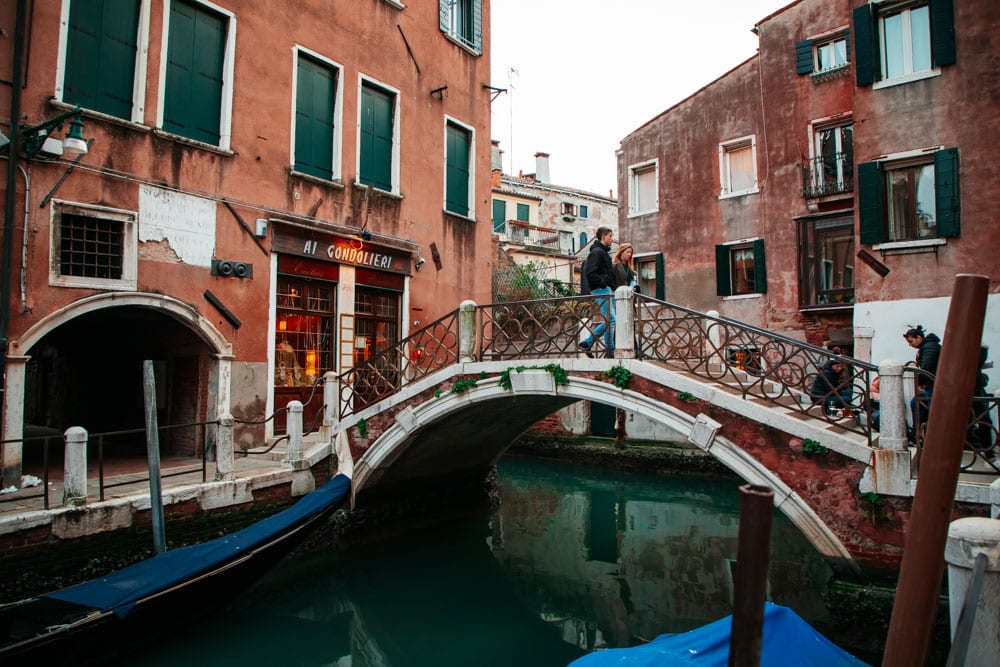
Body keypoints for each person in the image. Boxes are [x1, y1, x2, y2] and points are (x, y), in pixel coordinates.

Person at [579, 227, 615, 358]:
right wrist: (604, 283)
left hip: (606, 289)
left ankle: (606, 348)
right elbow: (590, 272)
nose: (612, 238)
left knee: (609, 319)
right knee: (610, 320)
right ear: (603, 236)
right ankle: (604, 348)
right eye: (610, 236)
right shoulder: (597, 252)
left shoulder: (602, 252)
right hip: (601, 289)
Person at [904, 325, 941, 441]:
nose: (910, 345)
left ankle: (933, 438)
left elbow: (927, 368)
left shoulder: (929, 347)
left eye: (911, 341)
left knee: (933, 412)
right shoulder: (927, 347)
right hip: (930, 384)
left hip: (934, 385)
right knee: (916, 402)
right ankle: (917, 433)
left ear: (919, 337)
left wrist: (919, 383)